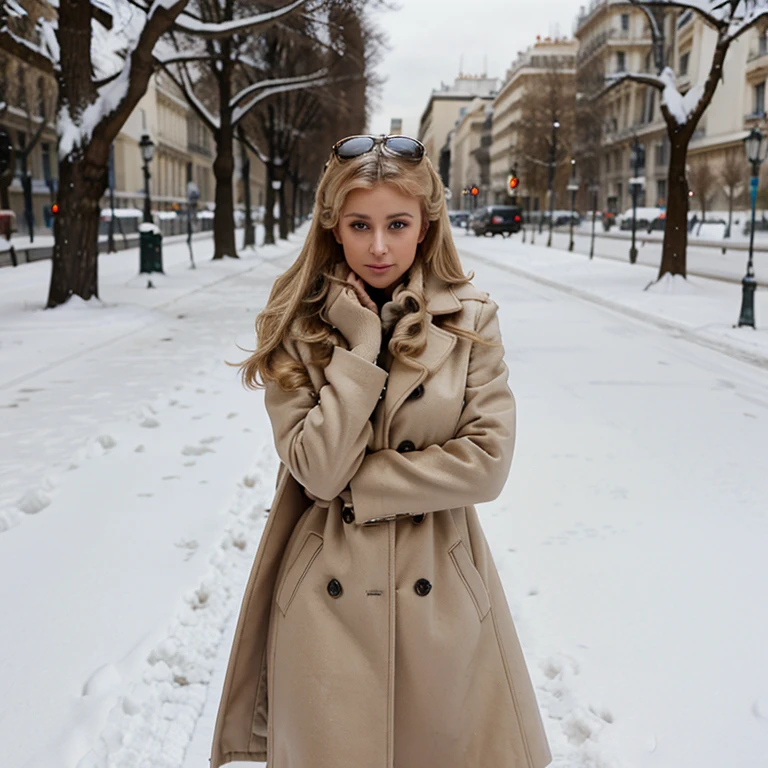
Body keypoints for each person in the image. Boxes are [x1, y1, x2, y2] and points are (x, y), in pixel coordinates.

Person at [210, 135, 552, 768]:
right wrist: (362, 344)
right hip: (324, 600)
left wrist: (362, 487)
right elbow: (316, 469)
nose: (378, 246)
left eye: (397, 224)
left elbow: (487, 462)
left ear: (425, 226)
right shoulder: (296, 325)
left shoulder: (470, 318)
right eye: (359, 225)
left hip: (441, 588)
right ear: (333, 227)